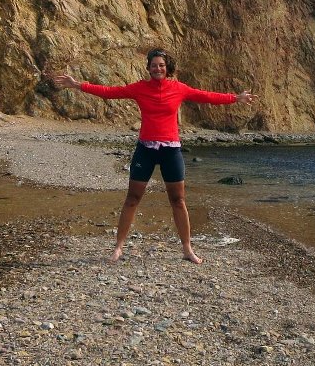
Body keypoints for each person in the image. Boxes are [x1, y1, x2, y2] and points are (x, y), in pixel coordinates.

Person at [51, 49, 256, 264]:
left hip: (171, 150)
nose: (158, 68)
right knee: (132, 199)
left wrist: (236, 98)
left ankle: (187, 249)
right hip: (146, 149)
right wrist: (78, 85)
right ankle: (118, 248)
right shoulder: (140, 88)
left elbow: (207, 96)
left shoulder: (179, 89)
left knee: (178, 200)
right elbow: (109, 92)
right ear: (148, 67)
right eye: (154, 65)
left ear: (167, 68)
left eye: (161, 65)